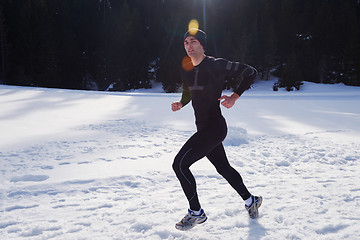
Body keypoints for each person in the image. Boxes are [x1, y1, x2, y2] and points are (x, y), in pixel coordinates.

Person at [171, 28, 262, 231]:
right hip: (203, 127)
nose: (189, 46)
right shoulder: (186, 68)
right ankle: (250, 200)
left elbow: (250, 72)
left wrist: (235, 96)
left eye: (193, 41)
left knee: (179, 165)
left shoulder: (216, 64)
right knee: (223, 168)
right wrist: (181, 103)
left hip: (214, 128)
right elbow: (189, 91)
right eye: (186, 43)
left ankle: (196, 212)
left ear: (203, 45)